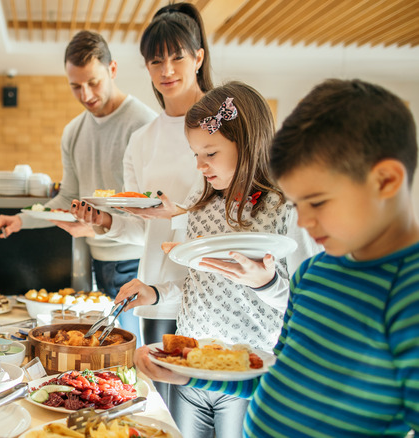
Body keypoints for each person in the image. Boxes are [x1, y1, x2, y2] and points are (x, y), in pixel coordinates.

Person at [134, 79, 419, 437]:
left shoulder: (407, 293)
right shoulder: (313, 275)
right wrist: (192, 373)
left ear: (386, 181)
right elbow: (277, 378)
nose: (301, 220)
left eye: (315, 202)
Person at [114, 81, 319, 438]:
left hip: (247, 371)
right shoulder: (202, 201)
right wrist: (156, 293)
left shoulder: (286, 207)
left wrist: (266, 284)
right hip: (191, 364)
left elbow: (309, 305)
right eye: (195, 154)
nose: (200, 165)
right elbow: (199, 284)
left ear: (248, 142)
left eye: (210, 153)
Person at [69, 2, 211, 399]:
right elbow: (142, 229)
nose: (166, 71)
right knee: (164, 414)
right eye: (155, 61)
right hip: (158, 294)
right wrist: (105, 221)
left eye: (176, 58)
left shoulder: (221, 124)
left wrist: (179, 214)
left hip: (213, 294)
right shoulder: (142, 139)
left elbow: (235, 214)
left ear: (197, 58)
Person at [0, 30, 157, 336]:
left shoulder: (145, 124)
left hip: (137, 262)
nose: (86, 95)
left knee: (135, 352)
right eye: (76, 86)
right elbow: (68, 197)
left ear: (113, 69)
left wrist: (96, 226)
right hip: (98, 260)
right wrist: (21, 219)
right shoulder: (73, 132)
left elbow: (151, 208)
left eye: (93, 82)